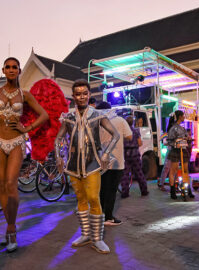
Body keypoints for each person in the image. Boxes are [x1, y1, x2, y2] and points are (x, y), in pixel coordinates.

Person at [55, 79, 120, 254]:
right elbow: (58, 138)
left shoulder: (98, 115)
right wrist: (59, 156)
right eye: (78, 94)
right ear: (73, 96)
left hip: (92, 163)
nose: (82, 97)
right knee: (81, 200)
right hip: (73, 164)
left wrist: (106, 154)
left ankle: (97, 238)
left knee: (93, 198)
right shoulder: (68, 118)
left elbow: (116, 134)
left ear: (89, 95)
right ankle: (85, 234)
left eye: (85, 93)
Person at [0, 57, 49, 252]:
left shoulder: (25, 95)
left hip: (16, 143)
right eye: (8, 67)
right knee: (2, 187)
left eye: (15, 67)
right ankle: (7, 229)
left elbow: (44, 115)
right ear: (3, 70)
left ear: (19, 71)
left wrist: (26, 128)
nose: (11, 70)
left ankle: (12, 229)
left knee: (11, 184)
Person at [96, 101, 132, 226]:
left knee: (101, 190)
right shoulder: (120, 120)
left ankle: (99, 215)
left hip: (100, 162)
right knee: (111, 190)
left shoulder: (96, 122)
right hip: (116, 162)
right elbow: (129, 136)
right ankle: (108, 217)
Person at [167, 110, 194, 200]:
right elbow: (169, 140)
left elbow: (187, 137)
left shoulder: (182, 128)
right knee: (173, 171)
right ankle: (172, 191)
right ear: (179, 117)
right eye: (183, 116)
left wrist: (188, 138)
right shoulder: (173, 128)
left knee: (185, 170)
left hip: (183, 150)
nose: (184, 117)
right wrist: (180, 139)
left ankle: (188, 189)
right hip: (175, 150)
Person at [120, 116, 149, 198]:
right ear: (132, 122)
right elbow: (140, 143)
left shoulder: (123, 131)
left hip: (125, 154)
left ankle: (124, 192)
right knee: (139, 173)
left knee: (125, 174)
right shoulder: (136, 131)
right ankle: (144, 191)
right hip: (135, 154)